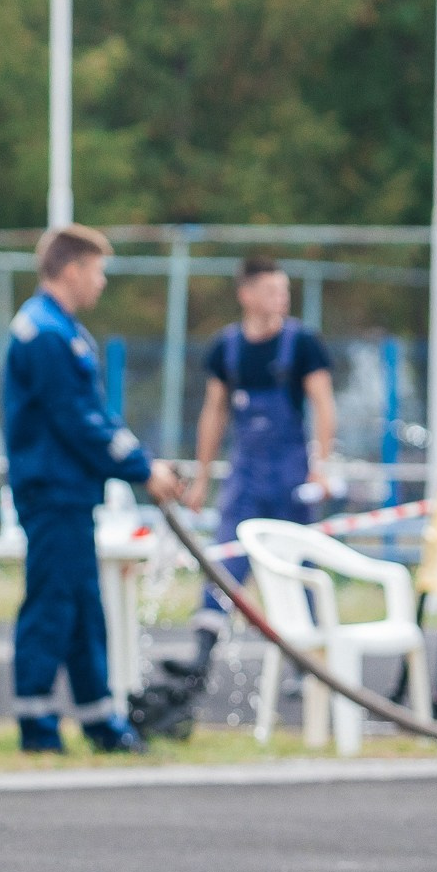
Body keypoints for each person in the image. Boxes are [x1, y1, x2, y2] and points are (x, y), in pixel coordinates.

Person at [3, 224, 183, 754]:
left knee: (81, 606)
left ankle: (101, 721)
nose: (101, 282)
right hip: (53, 491)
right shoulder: (49, 335)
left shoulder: (60, 329)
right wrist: (144, 470)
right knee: (53, 605)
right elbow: (81, 421)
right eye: (98, 270)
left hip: (69, 492)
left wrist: (142, 464)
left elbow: (93, 418)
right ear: (73, 269)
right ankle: (37, 726)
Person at [162, 256, 337, 682]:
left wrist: (322, 465)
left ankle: (310, 668)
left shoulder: (303, 344)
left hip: (291, 478)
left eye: (285, 292)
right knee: (224, 564)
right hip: (246, 479)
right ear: (247, 294)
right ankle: (200, 660)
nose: (282, 299)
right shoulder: (227, 348)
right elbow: (214, 412)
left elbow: (323, 403)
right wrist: (202, 477)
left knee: (298, 568)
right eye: (273, 291)